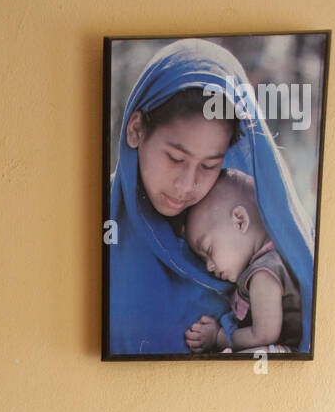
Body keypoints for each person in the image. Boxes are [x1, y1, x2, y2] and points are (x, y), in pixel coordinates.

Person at [107, 38, 315, 355]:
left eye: (209, 165)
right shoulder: (101, 223)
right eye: (175, 158)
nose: (187, 184)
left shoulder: (239, 235)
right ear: (136, 130)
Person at [183, 168, 302, 352]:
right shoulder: (261, 263)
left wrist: (219, 337)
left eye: (209, 250)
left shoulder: (263, 273)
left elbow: (264, 334)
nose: (209, 266)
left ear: (239, 221)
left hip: (285, 351)